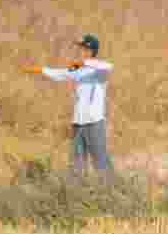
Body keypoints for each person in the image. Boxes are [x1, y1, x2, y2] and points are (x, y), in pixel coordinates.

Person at [22, 34, 115, 181]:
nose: (79, 50)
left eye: (82, 48)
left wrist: (84, 63)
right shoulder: (78, 69)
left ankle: (113, 190)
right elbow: (61, 74)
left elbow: (108, 66)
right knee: (76, 162)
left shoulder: (100, 71)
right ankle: (75, 194)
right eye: (80, 48)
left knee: (100, 160)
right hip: (78, 122)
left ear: (90, 50)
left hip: (94, 122)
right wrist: (40, 70)